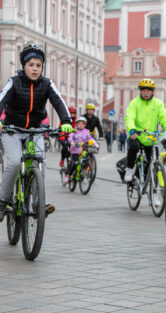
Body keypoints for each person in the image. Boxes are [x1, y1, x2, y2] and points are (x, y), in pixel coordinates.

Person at [0, 44, 73, 220]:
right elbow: (2, 100)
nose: (34, 69)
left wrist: (66, 122)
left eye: (38, 65)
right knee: (15, 162)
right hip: (12, 130)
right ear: (24, 66)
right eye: (31, 64)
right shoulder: (14, 82)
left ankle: (39, 202)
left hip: (35, 130)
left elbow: (58, 101)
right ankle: (2, 201)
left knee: (40, 160)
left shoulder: (47, 84)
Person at [124, 78, 166, 183]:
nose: (146, 93)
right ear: (140, 91)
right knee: (133, 147)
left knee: (153, 162)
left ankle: (155, 188)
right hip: (137, 135)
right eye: (143, 90)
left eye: (148, 90)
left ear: (152, 91)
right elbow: (130, 117)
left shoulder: (158, 103)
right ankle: (129, 169)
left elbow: (163, 117)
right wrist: (132, 130)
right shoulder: (134, 103)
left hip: (151, 137)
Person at [65, 117, 99, 184]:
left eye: (82, 124)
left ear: (84, 125)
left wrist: (96, 144)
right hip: (75, 150)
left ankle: (85, 170)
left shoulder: (86, 131)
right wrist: (72, 142)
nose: (80, 125)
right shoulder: (74, 131)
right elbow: (70, 137)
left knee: (86, 159)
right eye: (79, 124)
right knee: (76, 163)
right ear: (76, 124)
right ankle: (68, 175)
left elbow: (90, 138)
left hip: (83, 150)